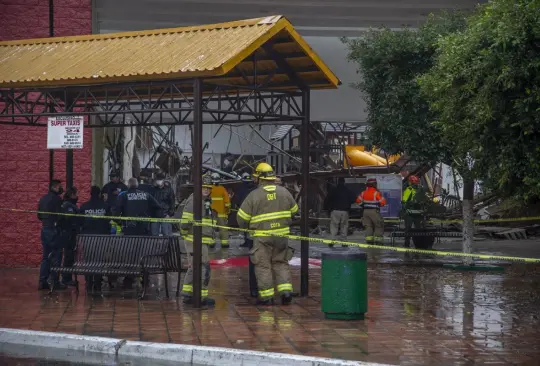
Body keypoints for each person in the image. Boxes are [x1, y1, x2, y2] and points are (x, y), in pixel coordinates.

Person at [237, 162, 298, 306]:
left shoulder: (254, 195)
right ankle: (286, 292)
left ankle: (266, 297)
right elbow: (295, 211)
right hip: (282, 236)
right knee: (281, 263)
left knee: (263, 265)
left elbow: (241, 218)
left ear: (259, 178)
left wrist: (248, 229)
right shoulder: (284, 192)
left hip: (262, 237)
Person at [180, 174, 216, 306]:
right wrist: (185, 234)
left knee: (195, 267)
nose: (206, 190)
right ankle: (201, 296)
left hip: (202, 239)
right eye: (204, 188)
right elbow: (185, 221)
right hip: (194, 239)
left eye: (208, 188)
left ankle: (188, 294)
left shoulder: (205, 200)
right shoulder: (195, 199)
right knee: (203, 267)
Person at [80, 186, 111, 291]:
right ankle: (97, 281)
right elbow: (109, 221)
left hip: (87, 237)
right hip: (101, 238)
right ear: (99, 194)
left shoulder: (84, 206)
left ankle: (89, 281)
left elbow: (80, 222)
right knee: (99, 259)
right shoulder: (105, 206)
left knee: (88, 259)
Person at [232, 172, 258, 296]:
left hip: (252, 228)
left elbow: (241, 216)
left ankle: (256, 290)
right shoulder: (256, 191)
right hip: (266, 232)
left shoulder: (247, 191)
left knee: (256, 260)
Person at [37, 179, 65, 290]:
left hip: (44, 229)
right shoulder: (57, 200)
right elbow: (60, 216)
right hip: (54, 230)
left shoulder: (43, 199)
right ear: (54, 187)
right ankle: (55, 281)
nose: (61, 189)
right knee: (57, 255)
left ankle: (42, 280)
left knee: (45, 256)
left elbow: (39, 216)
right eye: (59, 187)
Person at [57, 186, 82, 286]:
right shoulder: (69, 206)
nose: (77, 196)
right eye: (76, 193)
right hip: (69, 234)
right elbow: (69, 220)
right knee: (68, 256)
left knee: (70, 256)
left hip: (70, 233)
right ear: (72, 194)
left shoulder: (69, 204)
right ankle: (66, 279)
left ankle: (66, 277)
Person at [325, 177, 356, 247]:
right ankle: (344, 242)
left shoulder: (333, 190)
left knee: (334, 226)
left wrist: (326, 208)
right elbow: (354, 198)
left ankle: (332, 240)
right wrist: (348, 203)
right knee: (344, 226)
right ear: (344, 182)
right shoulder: (347, 190)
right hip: (345, 211)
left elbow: (327, 199)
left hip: (335, 210)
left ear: (337, 182)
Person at [356, 177, 386, 244]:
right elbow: (383, 202)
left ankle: (369, 241)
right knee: (378, 226)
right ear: (374, 184)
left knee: (368, 227)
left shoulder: (363, 193)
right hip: (374, 211)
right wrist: (378, 205)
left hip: (365, 212)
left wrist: (363, 205)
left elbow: (358, 201)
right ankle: (378, 242)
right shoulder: (376, 193)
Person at [402, 175, 424, 248]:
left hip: (410, 213)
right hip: (417, 213)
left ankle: (407, 244)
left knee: (408, 229)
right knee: (418, 230)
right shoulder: (421, 189)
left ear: (410, 182)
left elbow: (404, 201)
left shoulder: (409, 189)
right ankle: (418, 244)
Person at [210, 172, 231, 249]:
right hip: (222, 213)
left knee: (211, 227)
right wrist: (228, 211)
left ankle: (211, 243)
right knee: (223, 229)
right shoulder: (222, 189)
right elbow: (227, 202)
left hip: (211, 212)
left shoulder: (209, 189)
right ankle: (224, 243)